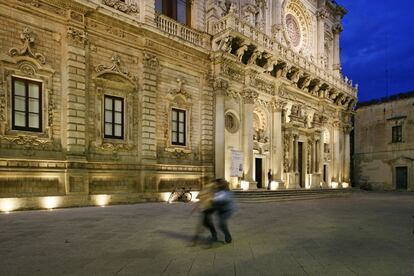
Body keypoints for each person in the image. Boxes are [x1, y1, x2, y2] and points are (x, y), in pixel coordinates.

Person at [213, 179, 235, 243]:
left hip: (227, 210)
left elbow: (225, 199)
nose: (215, 185)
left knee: (221, 223)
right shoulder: (218, 191)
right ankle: (225, 235)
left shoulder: (226, 191)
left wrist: (216, 201)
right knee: (221, 224)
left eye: (217, 184)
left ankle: (227, 236)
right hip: (221, 210)